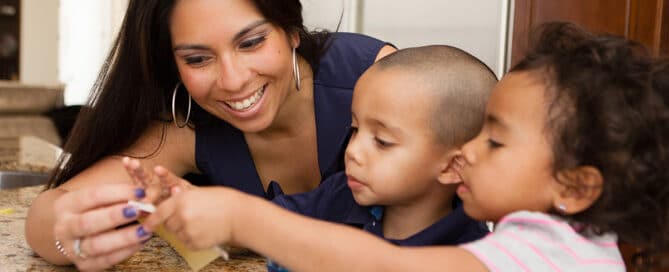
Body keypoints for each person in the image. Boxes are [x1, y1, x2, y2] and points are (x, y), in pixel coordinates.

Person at [137, 22, 669, 271]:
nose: (464, 151)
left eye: (495, 141)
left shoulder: (547, 254)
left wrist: (236, 216)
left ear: (574, 186)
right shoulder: (568, 240)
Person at [24, 0, 394, 270]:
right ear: (173, 65)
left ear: (292, 30)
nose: (233, 81)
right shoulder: (187, 126)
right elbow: (47, 213)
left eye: (251, 43)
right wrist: (67, 235)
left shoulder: (379, 79)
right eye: (197, 59)